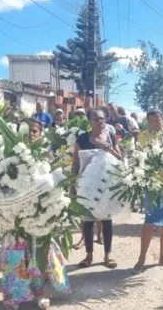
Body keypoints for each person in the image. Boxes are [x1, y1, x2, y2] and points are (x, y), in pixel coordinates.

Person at [0, 117, 71, 310]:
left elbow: (57, 182)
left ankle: (40, 291)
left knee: (39, 253)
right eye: (27, 131)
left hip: (40, 215)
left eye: (35, 131)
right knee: (16, 255)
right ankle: (15, 295)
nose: (31, 134)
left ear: (40, 134)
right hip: (15, 215)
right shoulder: (7, 156)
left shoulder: (47, 156)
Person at [72, 108, 123, 269]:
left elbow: (121, 159)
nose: (99, 121)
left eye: (102, 118)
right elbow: (75, 163)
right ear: (89, 121)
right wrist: (72, 184)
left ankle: (108, 255)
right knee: (88, 220)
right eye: (95, 119)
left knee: (106, 219)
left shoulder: (111, 137)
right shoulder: (82, 139)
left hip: (106, 185)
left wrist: (111, 150)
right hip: (86, 186)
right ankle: (89, 255)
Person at [133, 109, 163, 274]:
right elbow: (139, 157)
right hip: (151, 184)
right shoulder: (144, 137)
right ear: (148, 122)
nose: (155, 123)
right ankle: (141, 258)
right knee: (149, 222)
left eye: (158, 119)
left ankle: (162, 257)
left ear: (162, 120)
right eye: (152, 121)